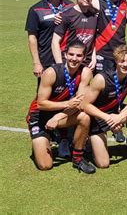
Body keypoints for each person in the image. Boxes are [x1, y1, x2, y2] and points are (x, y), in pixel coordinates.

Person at [26, 42, 95, 173]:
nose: (74, 58)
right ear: (65, 55)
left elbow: (79, 103)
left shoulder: (85, 72)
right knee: (45, 165)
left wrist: (58, 117)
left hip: (63, 115)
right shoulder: (51, 72)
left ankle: (77, 158)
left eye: (79, 55)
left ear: (84, 57)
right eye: (71, 54)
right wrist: (67, 104)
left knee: (84, 117)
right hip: (40, 115)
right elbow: (41, 103)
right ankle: (43, 141)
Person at [26, 0, 73, 78]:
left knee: (69, 92)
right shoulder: (35, 9)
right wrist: (36, 63)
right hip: (46, 61)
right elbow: (32, 38)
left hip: (69, 59)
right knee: (45, 93)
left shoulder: (71, 6)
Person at [92, 0, 127, 73]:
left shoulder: (126, 2)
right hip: (101, 51)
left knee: (117, 87)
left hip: (120, 53)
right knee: (100, 86)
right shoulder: (96, 1)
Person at [52, 0, 98, 69]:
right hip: (68, 63)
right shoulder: (67, 15)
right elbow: (55, 42)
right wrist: (60, 66)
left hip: (86, 65)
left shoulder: (94, 16)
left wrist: (94, 57)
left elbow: (94, 40)